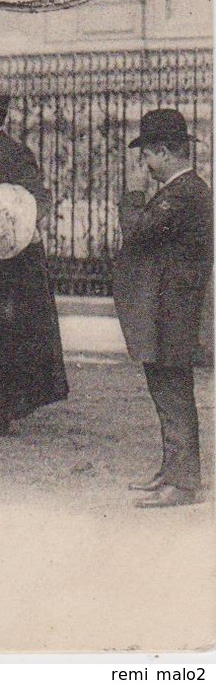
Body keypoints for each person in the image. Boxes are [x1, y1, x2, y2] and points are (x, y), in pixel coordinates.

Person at [114, 109, 211, 508]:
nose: (145, 165)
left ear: (167, 152)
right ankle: (172, 470)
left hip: (175, 312)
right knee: (166, 391)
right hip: (167, 309)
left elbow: (136, 234)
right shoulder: (178, 191)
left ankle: (183, 482)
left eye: (147, 156)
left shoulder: (185, 193)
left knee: (173, 394)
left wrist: (134, 194)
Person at [0, 87, 68, 437]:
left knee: (3, 336)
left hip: (11, 265)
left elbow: (37, 198)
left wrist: (13, 222)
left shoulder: (13, 153)